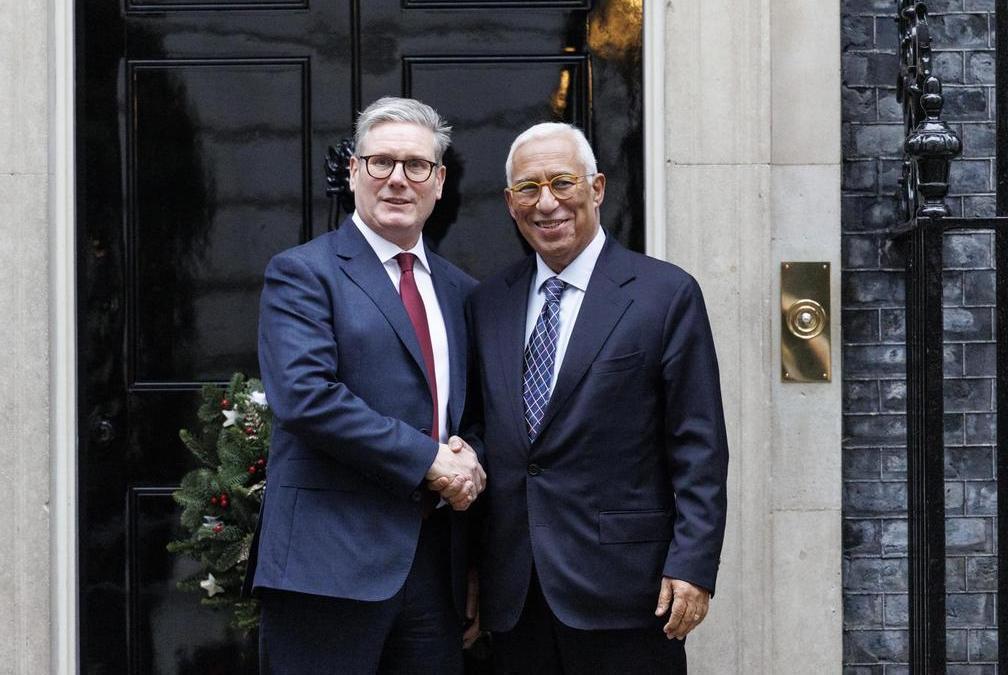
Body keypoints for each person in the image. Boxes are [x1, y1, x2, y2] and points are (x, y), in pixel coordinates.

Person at [452, 122, 728, 673]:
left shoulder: (663, 295)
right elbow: (488, 430)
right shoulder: (487, 303)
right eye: (528, 189)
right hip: (515, 594)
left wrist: (693, 566)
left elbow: (699, 445)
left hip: (629, 592)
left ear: (596, 188)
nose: (547, 203)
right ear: (510, 203)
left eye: (562, 182)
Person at [252, 96, 485, 674]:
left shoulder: (460, 290)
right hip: (325, 568)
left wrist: (471, 455)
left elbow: (474, 411)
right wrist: (430, 459)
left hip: (435, 570)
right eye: (381, 163)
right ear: (354, 170)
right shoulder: (304, 272)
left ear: (439, 182)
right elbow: (307, 398)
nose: (397, 180)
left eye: (416, 166)